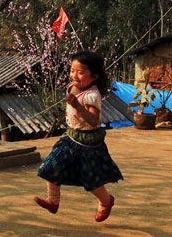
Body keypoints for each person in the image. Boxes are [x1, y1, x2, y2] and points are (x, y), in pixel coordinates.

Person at [34, 51, 123, 222]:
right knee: (49, 167)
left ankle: (106, 201)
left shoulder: (92, 96)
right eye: (72, 70)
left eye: (80, 72)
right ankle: (53, 201)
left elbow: (93, 120)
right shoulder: (73, 86)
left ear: (94, 76)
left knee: (92, 180)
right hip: (70, 137)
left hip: (89, 143)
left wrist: (77, 105)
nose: (74, 75)